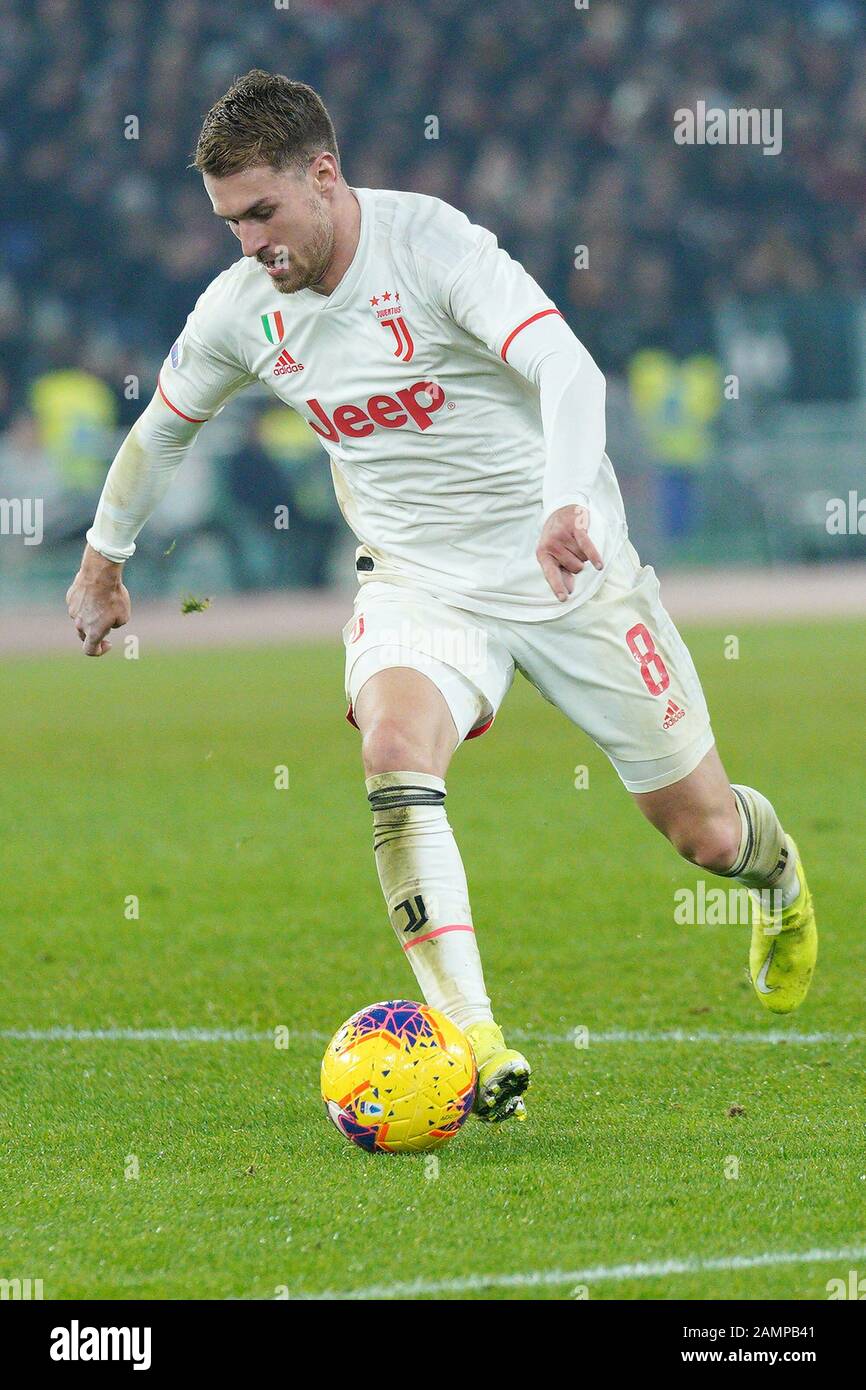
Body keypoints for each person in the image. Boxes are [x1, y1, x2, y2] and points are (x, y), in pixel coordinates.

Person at [66, 71, 817, 1124]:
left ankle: (777, 878)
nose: (249, 244)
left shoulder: (434, 250)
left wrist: (566, 505)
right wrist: (106, 556)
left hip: (565, 568)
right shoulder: (243, 309)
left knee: (704, 836)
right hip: (418, 582)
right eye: (230, 223)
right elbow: (163, 430)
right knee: (392, 754)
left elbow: (567, 371)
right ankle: (471, 1038)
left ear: (323, 176)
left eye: (263, 214)